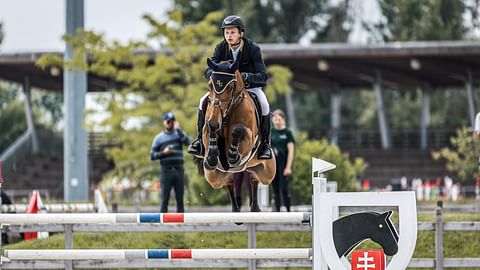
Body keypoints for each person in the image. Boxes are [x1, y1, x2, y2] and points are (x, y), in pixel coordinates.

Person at [188, 15, 272, 160]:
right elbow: (208, 70)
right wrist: (214, 76)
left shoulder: (253, 49)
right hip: (225, 90)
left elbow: (263, 76)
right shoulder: (220, 47)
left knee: (264, 104)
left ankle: (265, 144)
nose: (229, 36)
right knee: (203, 101)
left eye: (232, 32)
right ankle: (199, 141)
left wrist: (246, 77)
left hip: (249, 88)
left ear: (241, 33)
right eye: (226, 32)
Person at [150, 112, 189, 213]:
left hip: (179, 170)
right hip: (166, 171)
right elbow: (152, 156)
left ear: (174, 122)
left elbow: (188, 143)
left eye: (171, 121)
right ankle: (163, 223)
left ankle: (181, 223)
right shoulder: (158, 138)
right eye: (167, 121)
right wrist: (164, 153)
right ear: (164, 122)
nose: (169, 123)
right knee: (164, 198)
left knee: (180, 198)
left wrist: (179, 130)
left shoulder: (179, 134)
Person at [271, 109, 295, 212]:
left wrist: (288, 167)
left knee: (284, 189)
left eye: (279, 119)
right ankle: (277, 212)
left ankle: (288, 211)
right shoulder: (270, 132)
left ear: (283, 119)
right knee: (275, 189)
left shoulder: (287, 133)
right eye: (275, 118)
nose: (277, 121)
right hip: (273, 163)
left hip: (283, 162)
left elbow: (291, 150)